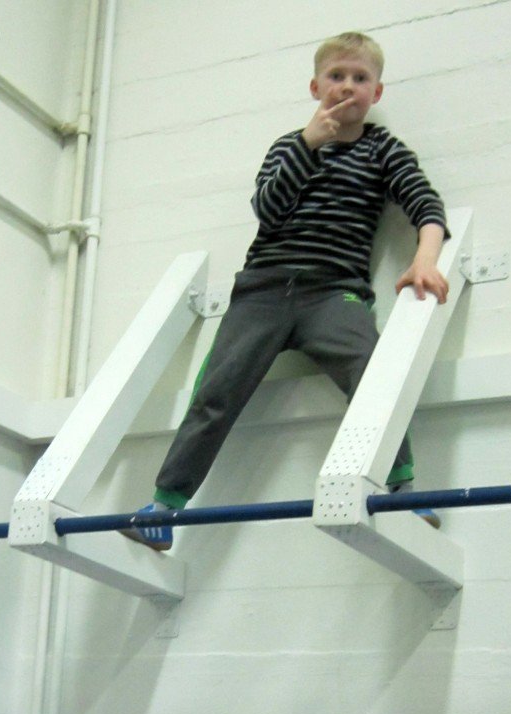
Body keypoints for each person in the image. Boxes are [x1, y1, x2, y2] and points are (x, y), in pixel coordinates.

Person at [122, 31, 449, 551]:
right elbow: (268, 210)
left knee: (372, 369)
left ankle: (403, 487)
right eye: (336, 76)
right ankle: (164, 506)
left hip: (334, 290)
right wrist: (308, 144)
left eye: (360, 78)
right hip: (264, 291)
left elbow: (426, 205)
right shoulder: (289, 146)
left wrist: (425, 258)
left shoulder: (382, 149)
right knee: (216, 391)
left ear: (376, 92)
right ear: (316, 87)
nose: (347, 86)